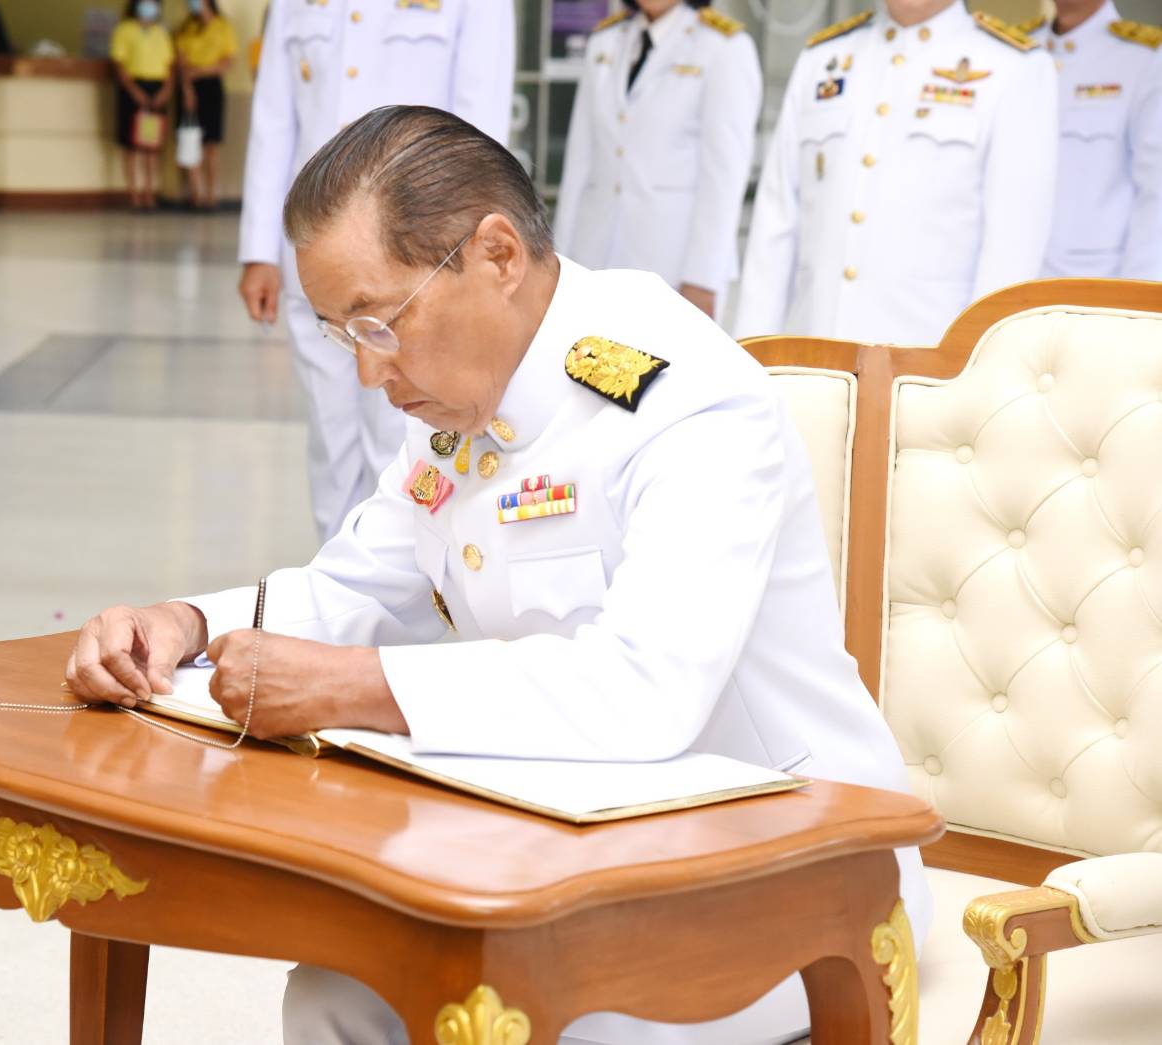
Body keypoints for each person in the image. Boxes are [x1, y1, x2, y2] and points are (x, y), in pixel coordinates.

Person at [67, 105, 928, 1045]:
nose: (368, 374)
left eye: (379, 322)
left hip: (795, 871)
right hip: (579, 838)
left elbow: (646, 688)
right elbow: (356, 588)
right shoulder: (458, 400)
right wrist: (184, 624)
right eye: (341, 334)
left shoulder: (686, 399)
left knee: (529, 1021)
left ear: (498, 255)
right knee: (335, 995)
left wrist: (351, 686)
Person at [237, 0, 514, 544]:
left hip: (416, 264)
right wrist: (259, 250)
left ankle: (416, 566)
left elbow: (479, 124)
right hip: (316, 261)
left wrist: (465, 253)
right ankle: (338, 568)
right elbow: (275, 118)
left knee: (406, 430)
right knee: (331, 435)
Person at [734, 0, 1057, 345]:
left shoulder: (1015, 68)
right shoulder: (822, 59)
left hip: (927, 363)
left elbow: (1010, 253)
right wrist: (750, 354)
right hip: (814, 359)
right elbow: (775, 226)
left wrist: (978, 367)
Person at [554, 0, 760, 322]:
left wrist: (702, 279)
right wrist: (558, 261)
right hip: (591, 260)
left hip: (670, 270)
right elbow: (578, 166)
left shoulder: (723, 47)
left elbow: (723, 178)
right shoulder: (605, 40)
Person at [1019, 0, 1162, 279]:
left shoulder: (1146, 57)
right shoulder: (1016, 49)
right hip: (1009, 281)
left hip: (1094, 282)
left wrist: (1140, 294)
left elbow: (1155, 195)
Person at [110, 0, 174, 211]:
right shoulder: (124, 29)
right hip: (133, 87)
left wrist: (165, 91)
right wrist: (134, 91)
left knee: (151, 144)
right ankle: (134, 194)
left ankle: (149, 192)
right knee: (132, 145)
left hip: (156, 88)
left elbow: (170, 65)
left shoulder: (161, 32)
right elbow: (119, 64)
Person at [174, 0, 237, 211]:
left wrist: (199, 71)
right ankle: (196, 194)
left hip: (212, 87)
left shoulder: (222, 26)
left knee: (212, 143)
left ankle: (211, 195)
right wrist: (187, 89)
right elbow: (181, 64)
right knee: (191, 141)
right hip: (190, 87)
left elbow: (226, 62)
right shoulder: (186, 28)